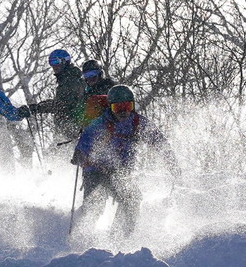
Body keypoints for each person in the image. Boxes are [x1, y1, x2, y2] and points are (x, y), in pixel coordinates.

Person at [71, 84, 175, 234]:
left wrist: (171, 162)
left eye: (127, 106)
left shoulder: (138, 123)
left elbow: (159, 142)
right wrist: (79, 153)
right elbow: (86, 140)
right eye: (117, 108)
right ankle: (81, 236)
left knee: (132, 198)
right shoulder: (101, 124)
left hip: (119, 172)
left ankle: (119, 238)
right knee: (95, 204)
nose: (123, 112)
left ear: (132, 106)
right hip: (96, 170)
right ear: (110, 108)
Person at [29, 48, 86, 144]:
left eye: (56, 61)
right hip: (66, 129)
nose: (54, 65)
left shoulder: (71, 80)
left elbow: (63, 105)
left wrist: (39, 108)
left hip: (73, 128)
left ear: (65, 61)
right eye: (51, 62)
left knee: (60, 153)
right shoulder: (65, 80)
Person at [77, 59, 116, 127]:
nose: (90, 78)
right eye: (86, 75)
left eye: (92, 74)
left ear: (100, 73)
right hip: (94, 126)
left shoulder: (109, 86)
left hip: (111, 121)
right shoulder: (87, 93)